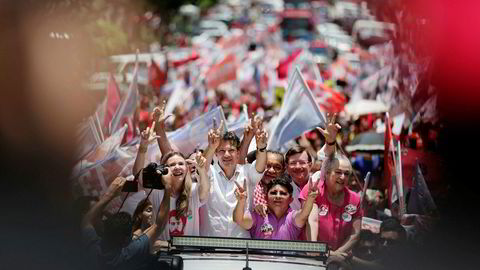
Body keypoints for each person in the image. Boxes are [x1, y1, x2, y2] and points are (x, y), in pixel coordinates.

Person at [81, 176, 170, 270]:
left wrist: (109, 195)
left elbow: (86, 221)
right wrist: (168, 188)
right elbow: (158, 225)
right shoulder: (130, 253)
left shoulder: (93, 246)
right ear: (127, 239)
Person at [199, 121, 268, 238]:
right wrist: (211, 147)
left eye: (231, 150)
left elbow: (260, 166)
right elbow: (202, 167)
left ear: (238, 153)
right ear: (215, 154)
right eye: (221, 151)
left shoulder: (247, 171)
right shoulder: (210, 173)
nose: (226, 155)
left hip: (240, 245)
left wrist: (261, 147)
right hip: (210, 244)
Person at [301, 151, 363, 256]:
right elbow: (312, 221)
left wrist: (336, 254)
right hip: (311, 255)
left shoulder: (355, 199)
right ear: (327, 173)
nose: (343, 177)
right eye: (338, 172)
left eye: (346, 174)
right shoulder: (314, 190)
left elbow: (355, 234)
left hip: (340, 258)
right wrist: (316, 251)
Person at [146, 150, 209, 240]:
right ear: (164, 169)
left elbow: (205, 190)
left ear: (187, 168)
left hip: (189, 253)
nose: (177, 167)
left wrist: (201, 169)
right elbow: (137, 173)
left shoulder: (193, 190)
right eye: (172, 165)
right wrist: (143, 148)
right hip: (163, 252)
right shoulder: (156, 191)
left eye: (181, 164)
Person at [233, 175, 318, 240]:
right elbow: (239, 219)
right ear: (266, 197)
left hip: (288, 263)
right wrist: (241, 201)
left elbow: (304, 214)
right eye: (273, 193)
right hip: (259, 262)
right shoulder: (258, 215)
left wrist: (310, 198)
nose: (278, 196)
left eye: (283, 193)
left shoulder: (293, 218)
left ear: (290, 200)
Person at [285, 113, 341, 211]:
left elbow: (329, 159)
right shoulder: (283, 189)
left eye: (302, 162)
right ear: (286, 167)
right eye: (293, 163)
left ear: (310, 165)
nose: (298, 166)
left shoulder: (318, 178)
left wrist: (330, 141)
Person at [251, 151, 285, 217]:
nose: (271, 170)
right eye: (267, 166)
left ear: (283, 171)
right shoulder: (251, 185)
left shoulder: (285, 192)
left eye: (277, 167)